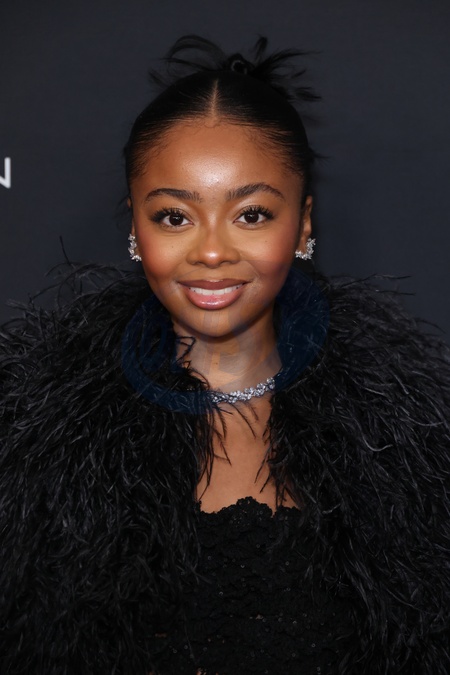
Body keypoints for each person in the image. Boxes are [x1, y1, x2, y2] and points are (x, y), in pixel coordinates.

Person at [1, 35, 449, 675]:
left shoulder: (408, 446)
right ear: (135, 227)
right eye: (174, 217)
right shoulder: (32, 439)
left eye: (252, 214)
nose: (212, 251)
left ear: (304, 223)